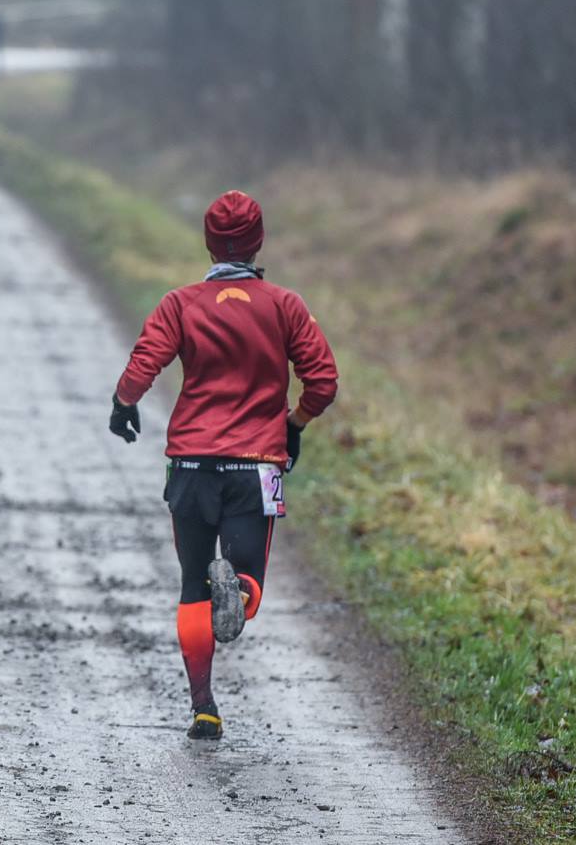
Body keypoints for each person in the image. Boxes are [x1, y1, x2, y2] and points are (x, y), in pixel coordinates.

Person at [107, 190, 338, 742]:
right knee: (248, 583)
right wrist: (295, 423)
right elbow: (323, 381)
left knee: (191, 587)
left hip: (189, 464)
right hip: (255, 466)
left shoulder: (180, 304)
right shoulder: (284, 305)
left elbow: (145, 364)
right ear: (259, 241)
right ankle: (239, 588)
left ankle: (203, 707)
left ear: (208, 242)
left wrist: (124, 405)